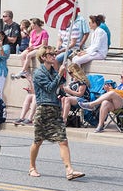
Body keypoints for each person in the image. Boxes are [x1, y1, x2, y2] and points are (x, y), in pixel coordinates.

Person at [29, 45, 85, 180]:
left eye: (54, 54)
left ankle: (69, 170)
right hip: (43, 109)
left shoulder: (53, 71)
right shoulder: (38, 73)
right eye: (51, 54)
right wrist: (59, 74)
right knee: (38, 140)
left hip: (55, 108)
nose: (54, 56)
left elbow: (61, 84)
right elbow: (49, 88)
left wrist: (63, 72)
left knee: (63, 140)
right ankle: (32, 167)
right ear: (43, 57)